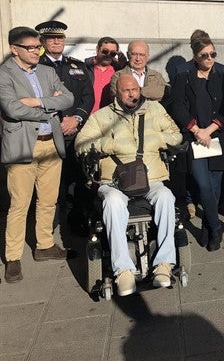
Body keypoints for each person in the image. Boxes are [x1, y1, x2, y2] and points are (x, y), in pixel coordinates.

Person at [75, 75, 182, 296]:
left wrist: (157, 140)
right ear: (117, 92)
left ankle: (164, 264)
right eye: (127, 90)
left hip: (150, 176)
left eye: (135, 89)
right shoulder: (102, 116)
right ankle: (123, 270)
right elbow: (80, 143)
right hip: (114, 180)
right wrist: (111, 145)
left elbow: (176, 136)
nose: (132, 94)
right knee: (112, 202)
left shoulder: (155, 110)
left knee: (166, 197)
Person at [0, 26, 74, 283]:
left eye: (37, 47)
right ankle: (13, 257)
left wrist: (36, 101)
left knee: (48, 199)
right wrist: (47, 108)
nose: (35, 52)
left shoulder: (47, 70)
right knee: (19, 204)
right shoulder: (4, 74)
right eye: (30, 48)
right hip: (23, 146)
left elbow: (68, 98)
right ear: (14, 49)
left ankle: (44, 245)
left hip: (50, 144)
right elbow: (12, 108)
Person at [171, 37, 224, 251]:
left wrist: (210, 130)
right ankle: (216, 228)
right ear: (195, 57)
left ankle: (206, 226)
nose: (209, 59)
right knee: (204, 185)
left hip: (216, 137)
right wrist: (196, 130)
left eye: (213, 54)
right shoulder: (184, 77)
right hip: (195, 138)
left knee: (214, 189)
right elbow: (177, 107)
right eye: (204, 55)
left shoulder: (223, 76)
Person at [36, 20, 94, 230]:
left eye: (59, 37)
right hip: (48, 133)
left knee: (77, 178)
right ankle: (49, 222)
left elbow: (88, 97)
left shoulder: (76, 65)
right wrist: (56, 122)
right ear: (42, 40)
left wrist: (76, 118)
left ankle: (75, 219)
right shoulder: (35, 66)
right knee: (50, 182)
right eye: (51, 38)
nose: (56, 41)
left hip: (74, 132)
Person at [85, 36, 127, 113]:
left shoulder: (119, 71)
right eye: (105, 51)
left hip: (110, 118)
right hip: (86, 117)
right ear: (97, 49)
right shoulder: (84, 68)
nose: (108, 55)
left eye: (113, 53)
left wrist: (124, 65)